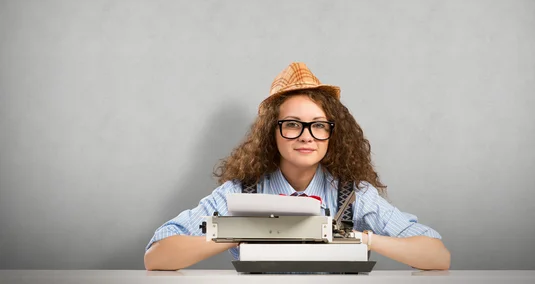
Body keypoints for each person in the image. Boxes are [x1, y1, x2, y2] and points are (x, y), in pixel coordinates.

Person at [144, 62, 450, 271]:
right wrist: (241, 233)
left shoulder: (354, 195)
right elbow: (157, 256)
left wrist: (361, 238)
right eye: (292, 125)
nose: (306, 137)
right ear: (272, 132)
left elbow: (437, 256)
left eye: (318, 125)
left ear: (332, 133)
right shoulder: (238, 193)